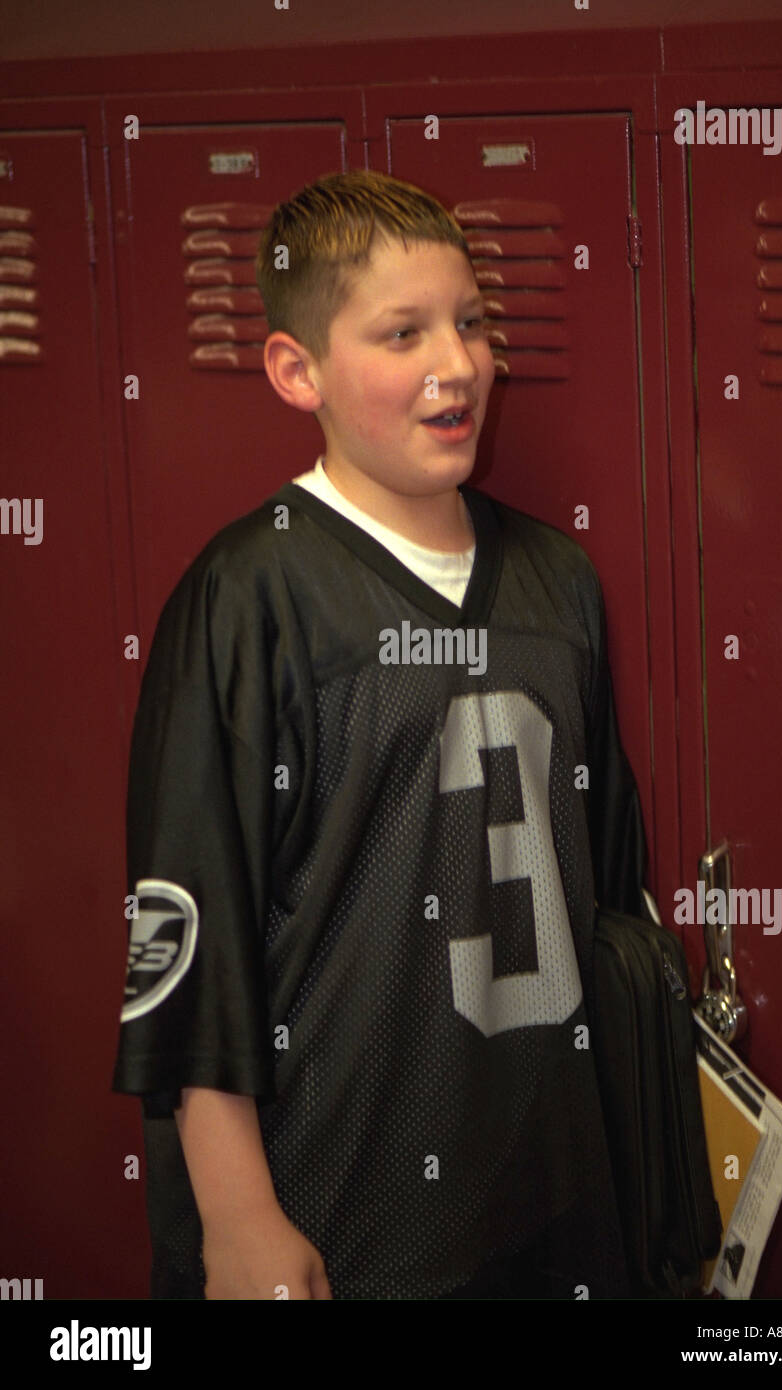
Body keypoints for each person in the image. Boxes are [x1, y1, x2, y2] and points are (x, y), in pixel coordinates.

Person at [112, 169, 650, 1301]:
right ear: (295, 369)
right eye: (400, 334)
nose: (453, 364)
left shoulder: (557, 581)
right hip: (343, 1202)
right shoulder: (250, 594)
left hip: (547, 1192)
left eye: (468, 321)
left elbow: (598, 892)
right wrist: (240, 1216)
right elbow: (190, 938)